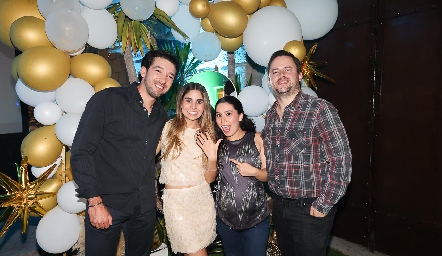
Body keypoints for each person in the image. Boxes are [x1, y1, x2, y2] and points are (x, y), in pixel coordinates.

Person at [70, 49, 179, 256]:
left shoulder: (162, 117)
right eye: (158, 70)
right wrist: (94, 202)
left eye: (170, 76)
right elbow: (81, 152)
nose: (163, 79)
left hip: (143, 208)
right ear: (143, 71)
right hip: (107, 203)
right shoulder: (107, 100)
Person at [261, 50, 352, 256]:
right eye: (275, 72)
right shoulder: (271, 117)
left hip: (310, 210)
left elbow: (342, 161)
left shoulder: (320, 109)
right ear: (269, 80)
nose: (281, 75)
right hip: (280, 208)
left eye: (287, 69)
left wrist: (324, 203)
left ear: (299, 75)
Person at [159, 82, 219, 256]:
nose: (193, 106)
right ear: (181, 103)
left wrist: (212, 158)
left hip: (200, 200)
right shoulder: (168, 128)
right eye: (189, 100)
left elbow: (209, 179)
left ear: (205, 105)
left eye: (199, 102)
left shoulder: (207, 134)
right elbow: (145, 155)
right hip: (176, 203)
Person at [213, 96, 270, 256]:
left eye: (228, 114)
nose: (223, 120)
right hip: (225, 221)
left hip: (256, 220)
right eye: (218, 115)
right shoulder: (217, 145)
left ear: (240, 116)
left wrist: (254, 172)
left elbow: (269, 176)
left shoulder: (257, 138)